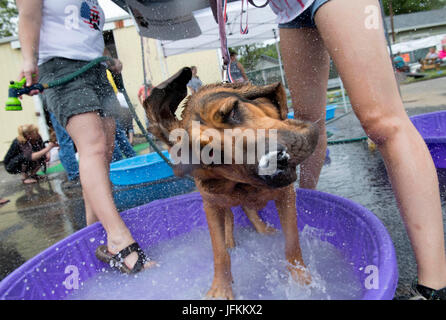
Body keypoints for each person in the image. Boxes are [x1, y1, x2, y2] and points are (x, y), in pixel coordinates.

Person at [270, 0, 446, 299]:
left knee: (381, 121)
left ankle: (436, 285)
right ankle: (306, 210)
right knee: (307, 125)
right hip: (289, 8)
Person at [17, 0, 155, 272]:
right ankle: (118, 240)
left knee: (105, 150)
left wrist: (107, 57)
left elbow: (87, 32)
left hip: (96, 69)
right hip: (61, 67)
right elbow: (29, 14)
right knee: (92, 146)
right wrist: (28, 60)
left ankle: (93, 235)